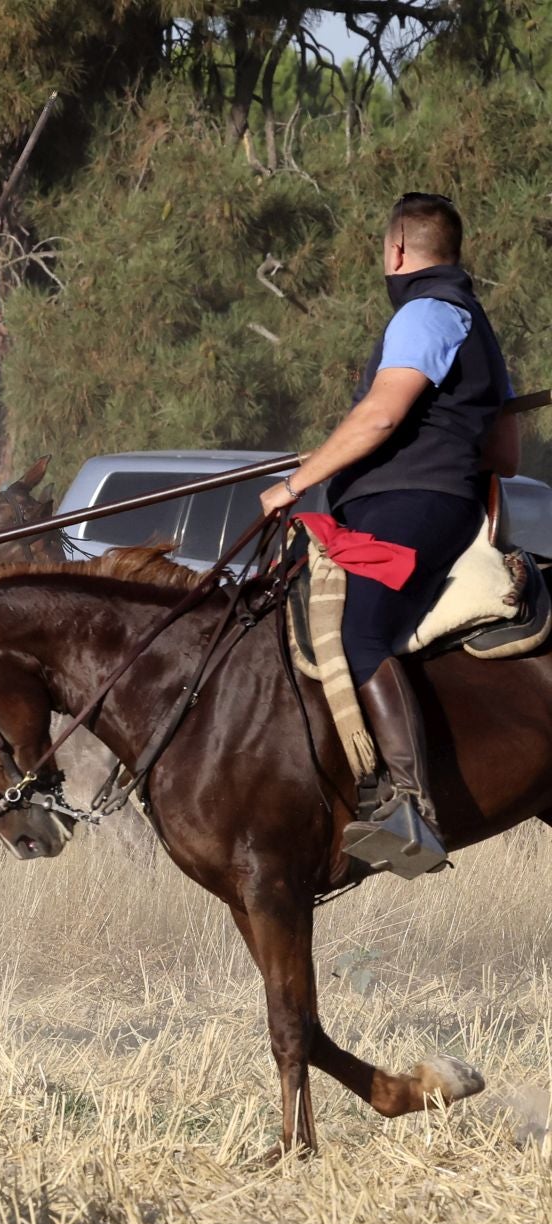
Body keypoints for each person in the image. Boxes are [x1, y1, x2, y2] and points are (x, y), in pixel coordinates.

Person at [260, 193, 520, 873]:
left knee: (361, 630)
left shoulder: (426, 312)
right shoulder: (476, 326)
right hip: (434, 496)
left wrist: (295, 484)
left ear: (397, 249)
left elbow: (380, 415)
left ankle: (410, 805)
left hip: (418, 503)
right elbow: (510, 455)